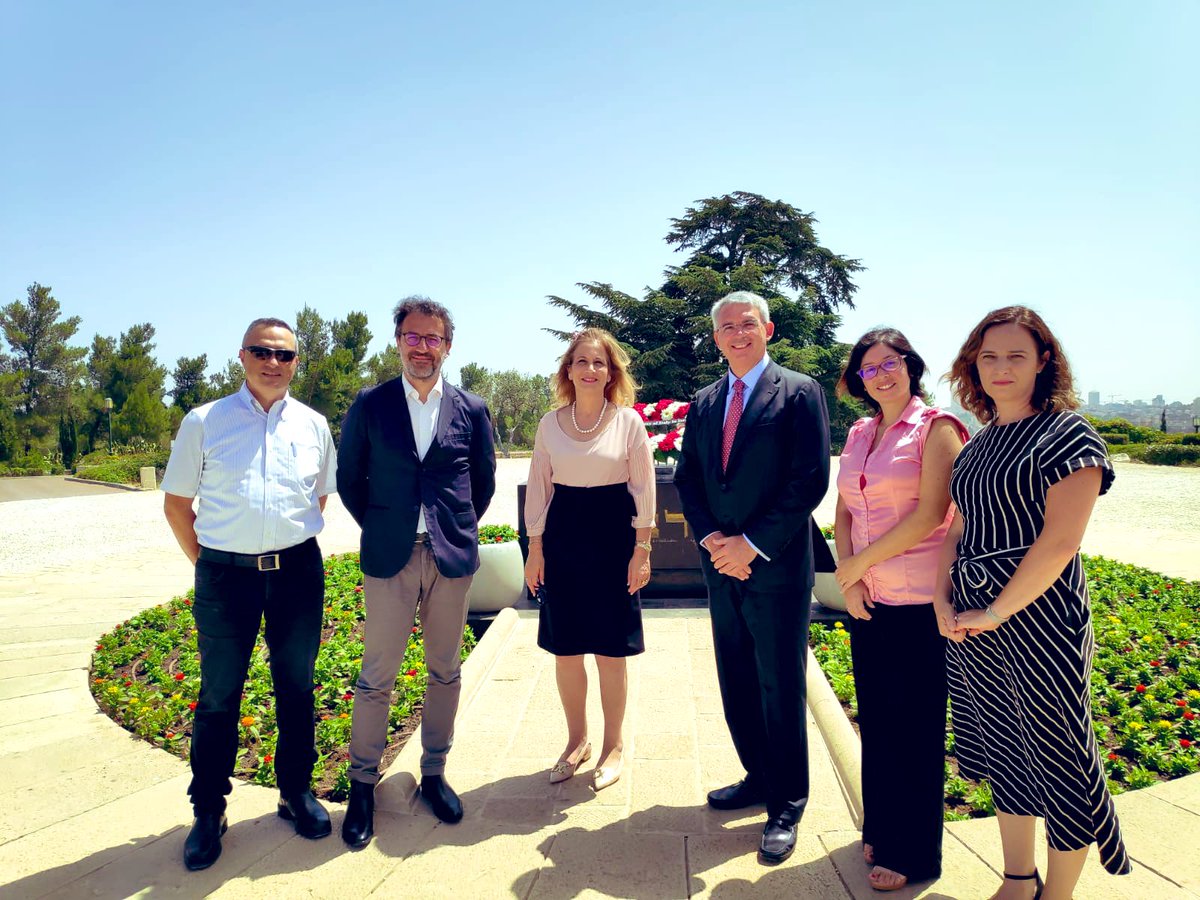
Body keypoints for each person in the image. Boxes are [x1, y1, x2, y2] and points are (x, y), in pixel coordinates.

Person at [938, 306, 1131, 899]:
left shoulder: (1069, 434)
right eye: (989, 355)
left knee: (1059, 754)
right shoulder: (982, 438)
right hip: (971, 617)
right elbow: (957, 527)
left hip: (1040, 617)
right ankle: (1018, 880)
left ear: (1044, 361)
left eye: (1016, 355)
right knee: (1004, 748)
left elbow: (1061, 542)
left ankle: (1059, 894)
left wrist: (994, 611)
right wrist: (942, 599)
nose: (1000, 367)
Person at [162, 317, 338, 871]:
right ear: (241, 356)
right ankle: (208, 810)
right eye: (262, 351)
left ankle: (295, 793)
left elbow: (317, 501)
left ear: (295, 364)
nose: (273, 362)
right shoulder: (205, 422)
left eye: (284, 355)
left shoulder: (314, 425)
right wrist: (213, 564)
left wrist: (274, 551)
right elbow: (176, 505)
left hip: (296, 574)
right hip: (225, 577)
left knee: (297, 689)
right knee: (218, 697)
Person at [674, 290, 830, 865]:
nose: (737, 334)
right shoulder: (706, 399)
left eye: (747, 324)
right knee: (735, 676)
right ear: (715, 338)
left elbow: (809, 479)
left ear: (767, 328)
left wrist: (753, 544)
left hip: (777, 566)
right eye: (726, 327)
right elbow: (689, 477)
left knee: (779, 684)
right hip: (722, 566)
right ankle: (758, 777)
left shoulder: (799, 392)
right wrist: (715, 540)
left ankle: (787, 802)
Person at [337, 296, 496, 848]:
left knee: (445, 670)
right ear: (397, 341)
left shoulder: (471, 409)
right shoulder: (370, 404)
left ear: (447, 346)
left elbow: (483, 482)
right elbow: (350, 480)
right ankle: (362, 786)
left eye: (433, 338)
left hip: (450, 558)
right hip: (390, 558)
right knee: (376, 674)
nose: (422, 347)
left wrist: (453, 527)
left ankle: (434, 772)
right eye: (412, 336)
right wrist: (387, 525)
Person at [833, 328, 968, 892]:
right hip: (871, 603)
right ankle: (883, 829)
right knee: (880, 725)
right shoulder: (861, 431)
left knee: (914, 730)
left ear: (910, 366)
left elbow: (931, 514)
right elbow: (844, 506)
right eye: (869, 369)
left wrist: (856, 565)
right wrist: (852, 577)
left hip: (919, 605)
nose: (881, 375)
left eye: (890, 363)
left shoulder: (938, 429)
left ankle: (915, 854)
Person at [523, 328, 655, 792]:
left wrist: (642, 550)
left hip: (613, 537)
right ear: (568, 369)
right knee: (566, 650)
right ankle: (576, 741)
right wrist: (534, 550)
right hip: (563, 540)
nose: (590, 369)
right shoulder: (548, 424)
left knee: (610, 651)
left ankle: (613, 746)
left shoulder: (628, 422)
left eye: (599, 362)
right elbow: (539, 488)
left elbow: (643, 488)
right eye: (582, 361)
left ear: (610, 371)